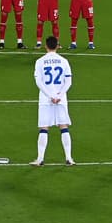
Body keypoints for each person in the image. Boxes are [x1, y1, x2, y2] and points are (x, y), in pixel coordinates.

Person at [31, 35, 75, 166]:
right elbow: (69, 81)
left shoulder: (40, 61)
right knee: (64, 127)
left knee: (44, 128)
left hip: (45, 98)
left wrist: (50, 96)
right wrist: (59, 95)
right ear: (57, 46)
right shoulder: (64, 61)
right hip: (61, 99)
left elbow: (38, 81)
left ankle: (40, 159)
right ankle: (69, 158)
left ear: (46, 46)